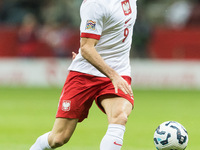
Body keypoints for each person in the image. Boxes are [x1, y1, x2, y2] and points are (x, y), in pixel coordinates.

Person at [30, 0, 137, 149]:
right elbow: (87, 48)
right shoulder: (95, 4)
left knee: (120, 116)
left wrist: (115, 75)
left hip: (118, 71)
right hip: (85, 74)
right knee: (59, 138)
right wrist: (113, 75)